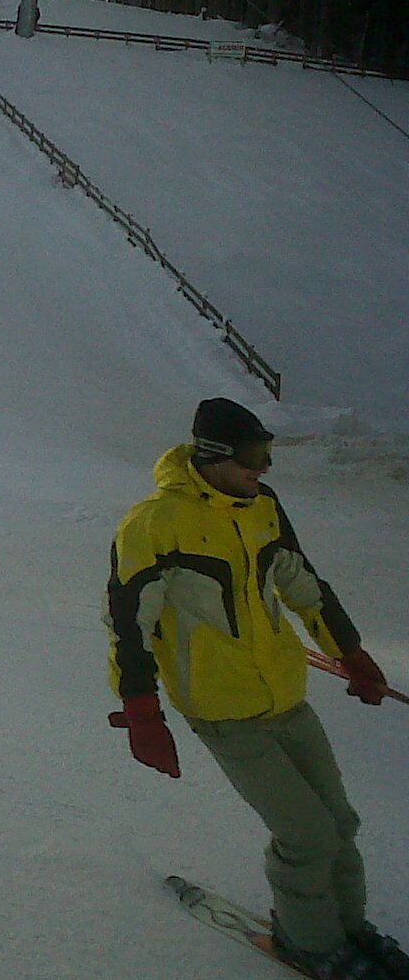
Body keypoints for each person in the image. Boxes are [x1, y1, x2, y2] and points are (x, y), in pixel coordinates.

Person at [106, 398, 407, 980]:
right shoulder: (153, 524)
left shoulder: (262, 506)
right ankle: (310, 943)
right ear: (213, 455)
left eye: (267, 453)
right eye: (252, 455)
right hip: (224, 711)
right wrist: (143, 711)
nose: (263, 467)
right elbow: (127, 623)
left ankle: (348, 928)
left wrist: (352, 654)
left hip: (285, 693)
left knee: (339, 823)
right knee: (306, 835)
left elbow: (302, 583)